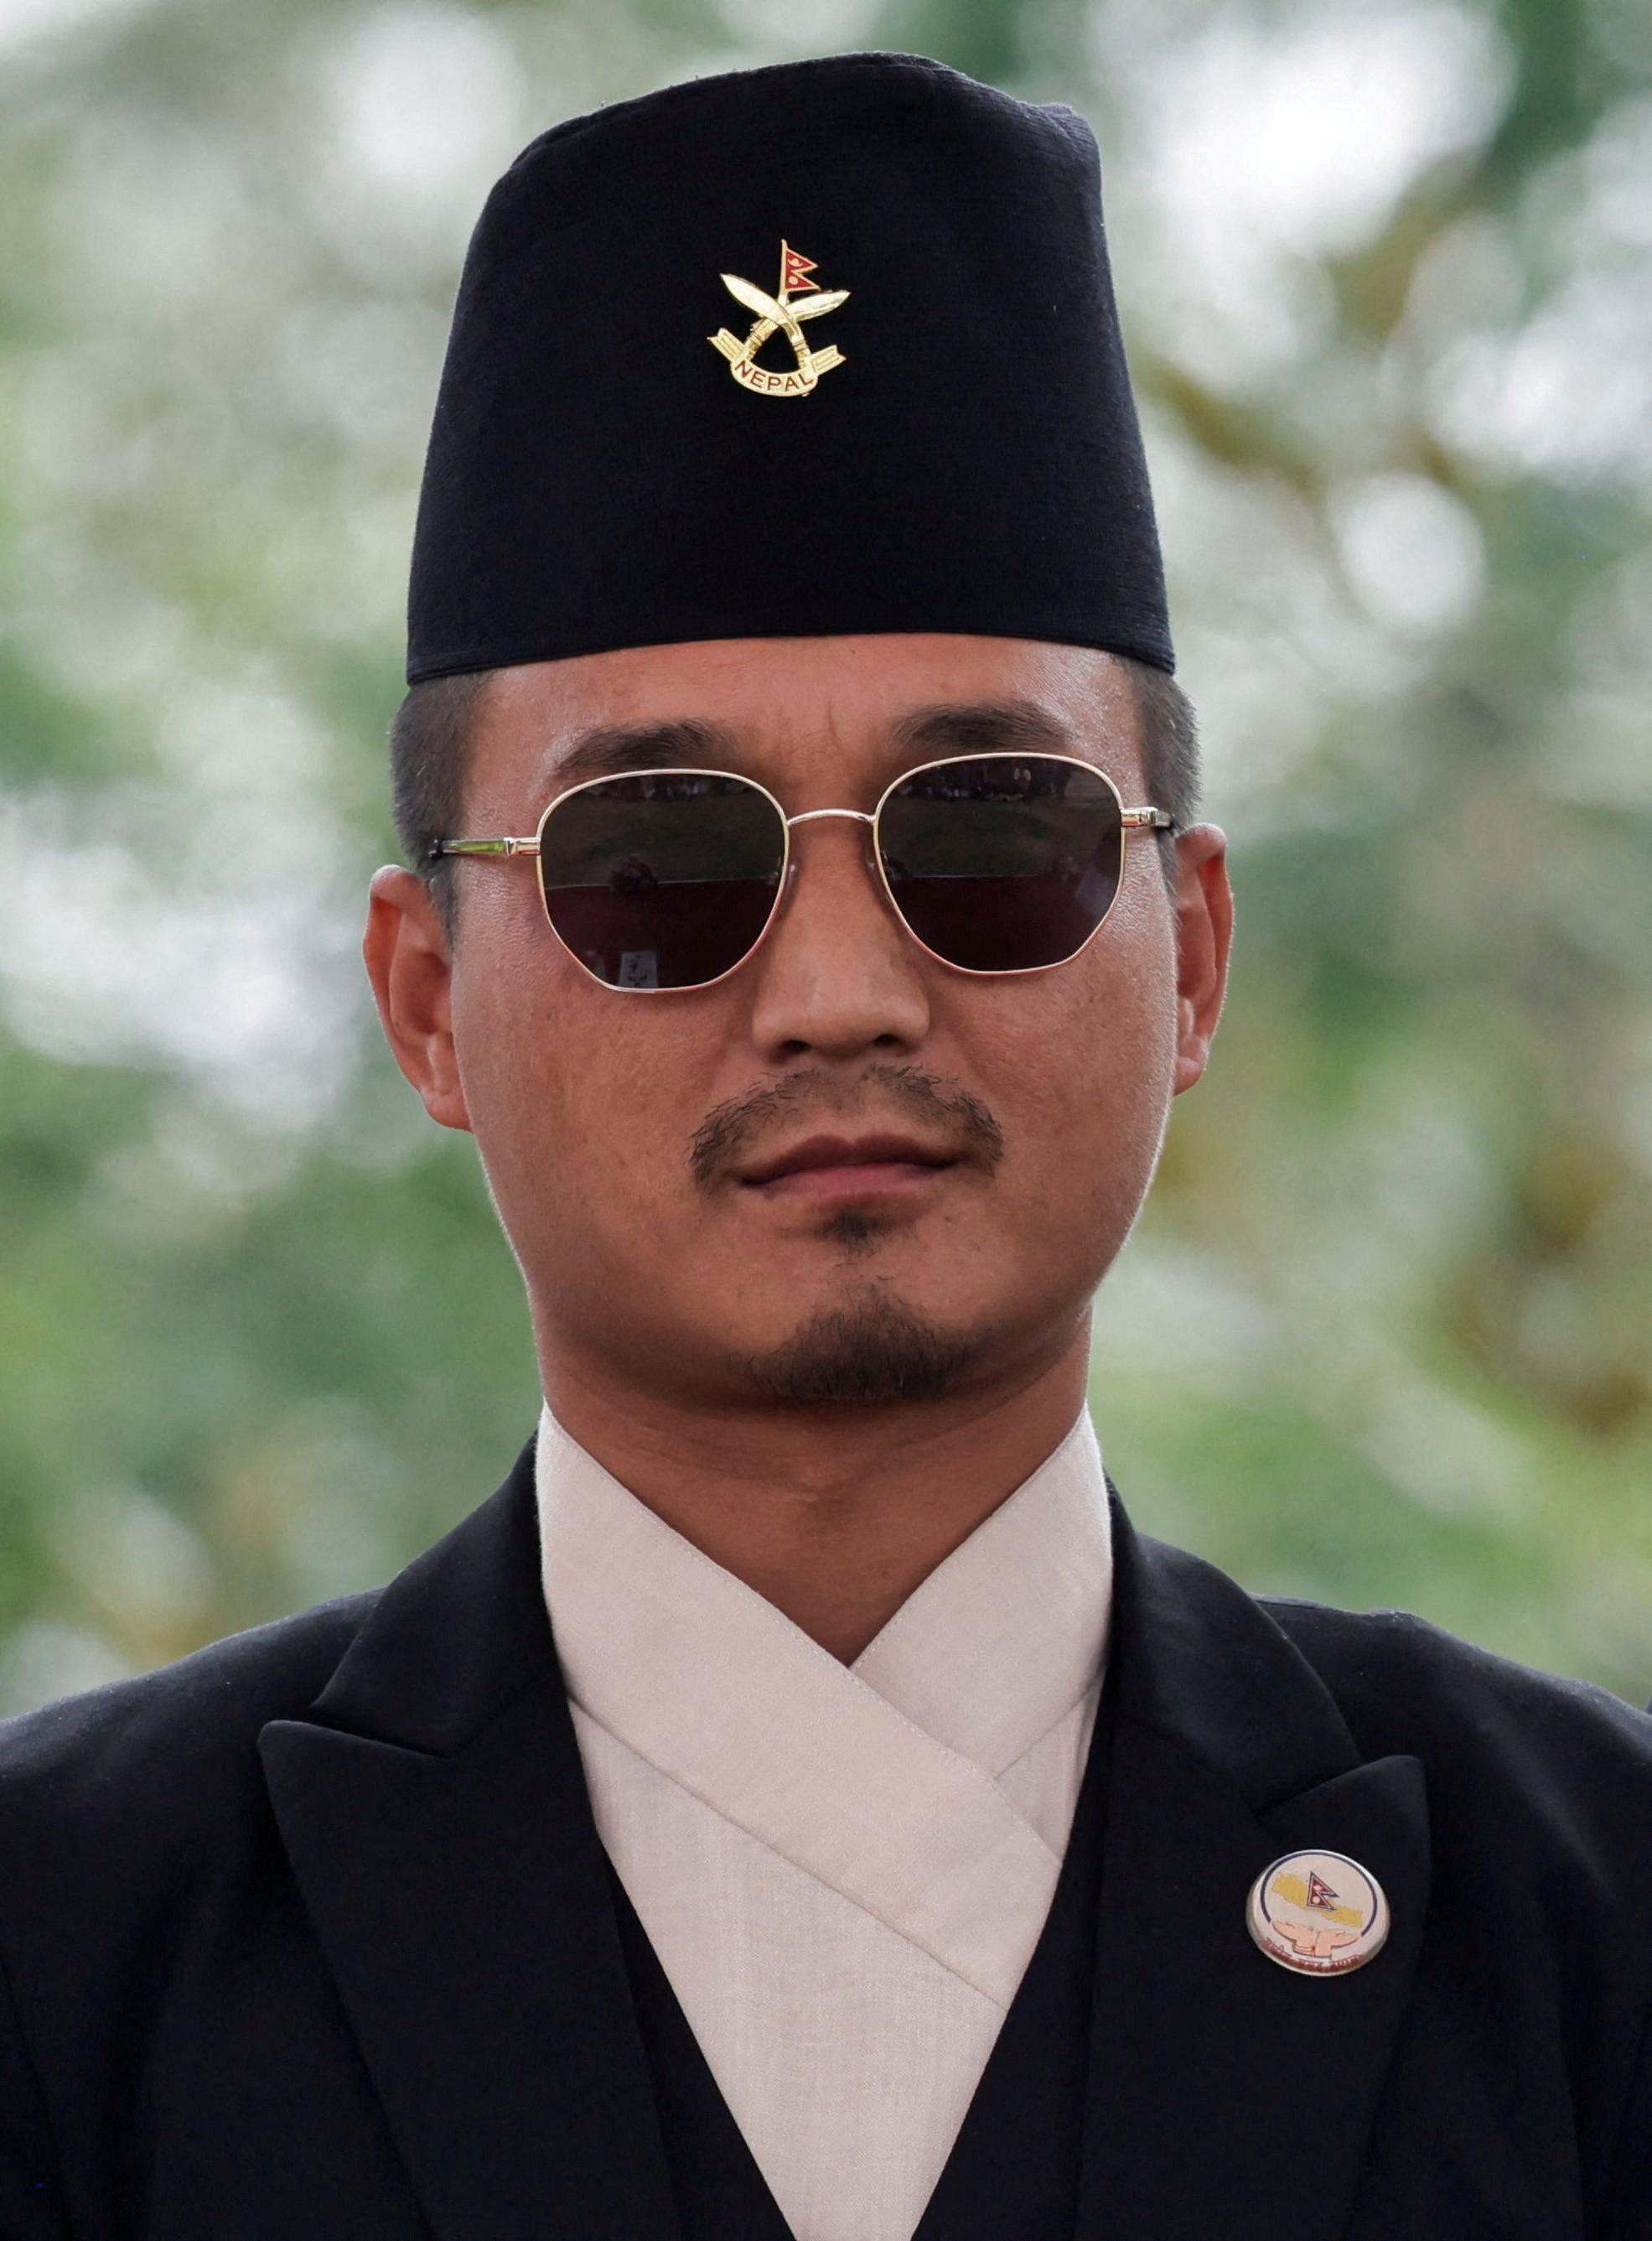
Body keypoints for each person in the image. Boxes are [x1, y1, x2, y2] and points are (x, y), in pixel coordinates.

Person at [0, 50, 1648, 2241]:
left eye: (990, 834)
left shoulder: (1587, 1910)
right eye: (658, 862)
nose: (841, 989)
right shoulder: (68, 1939)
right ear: (423, 998)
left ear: (1189, 952)